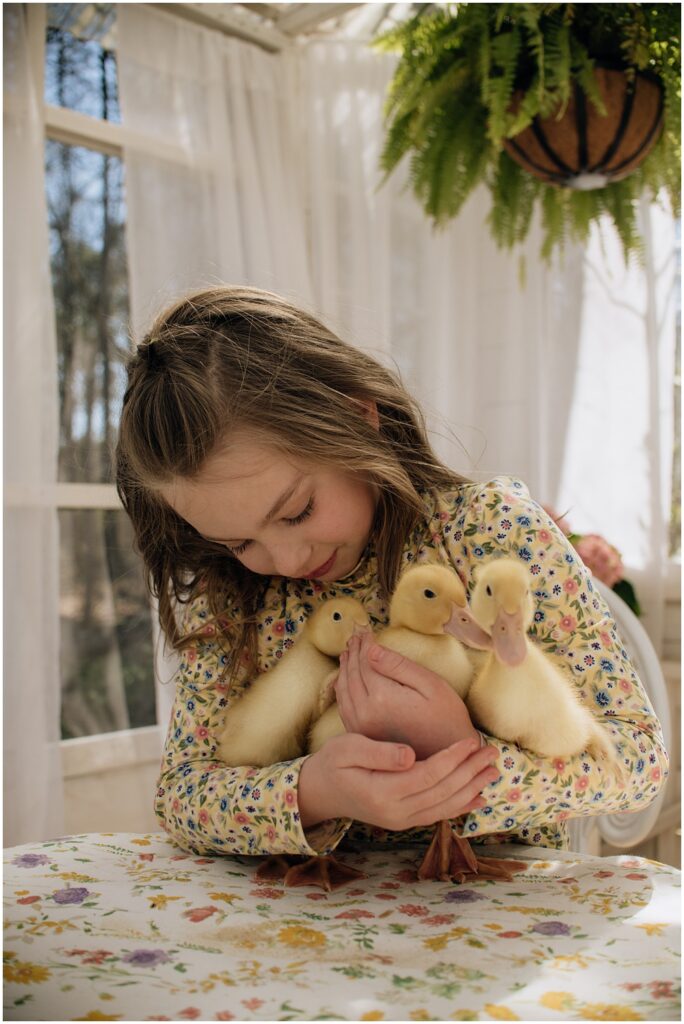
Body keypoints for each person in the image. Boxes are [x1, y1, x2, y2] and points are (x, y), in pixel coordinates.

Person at [115, 285, 668, 861]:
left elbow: (637, 760)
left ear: (358, 417)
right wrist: (314, 791)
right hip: (302, 926)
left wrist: (459, 757)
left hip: (499, 911)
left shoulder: (490, 532)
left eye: (297, 511)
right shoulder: (229, 591)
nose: (287, 561)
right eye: (238, 542)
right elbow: (183, 795)